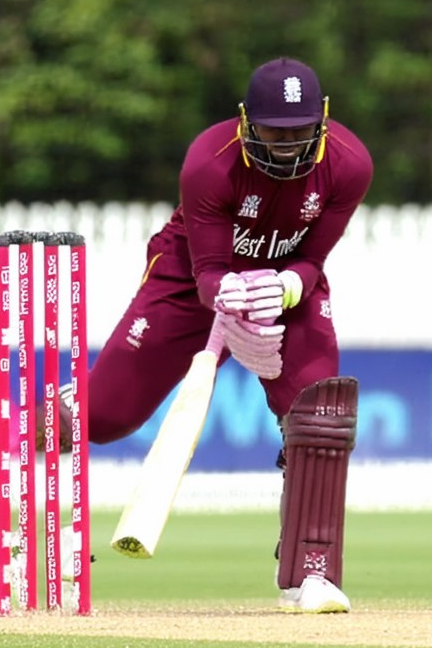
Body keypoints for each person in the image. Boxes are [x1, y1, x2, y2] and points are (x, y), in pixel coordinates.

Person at [60, 57, 372, 613]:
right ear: (247, 121)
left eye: (300, 133)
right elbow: (206, 272)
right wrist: (226, 295)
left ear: (322, 121)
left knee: (319, 414)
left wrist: (282, 292)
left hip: (285, 282)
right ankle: (52, 420)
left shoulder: (349, 165)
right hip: (190, 280)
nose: (286, 147)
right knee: (105, 417)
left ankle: (310, 574)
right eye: (274, 132)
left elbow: (313, 259)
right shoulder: (210, 161)